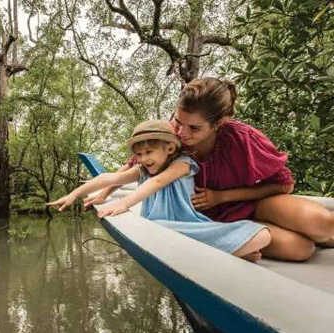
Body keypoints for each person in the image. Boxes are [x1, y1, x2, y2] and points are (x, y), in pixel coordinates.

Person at [87, 78, 334, 261]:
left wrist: (223, 196)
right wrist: (103, 194)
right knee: (301, 250)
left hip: (254, 204)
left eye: (194, 128)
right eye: (178, 121)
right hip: (208, 221)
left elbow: (284, 184)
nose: (182, 133)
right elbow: (135, 165)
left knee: (324, 223)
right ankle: (253, 234)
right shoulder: (170, 138)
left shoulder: (241, 138)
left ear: (219, 123)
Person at [47, 120, 271, 262]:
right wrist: (73, 194)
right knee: (156, 233)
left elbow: (157, 183)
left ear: (170, 148)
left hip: (187, 226)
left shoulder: (183, 164)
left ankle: (229, 250)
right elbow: (110, 177)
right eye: (140, 154)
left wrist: (122, 204)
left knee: (262, 235)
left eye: (149, 151)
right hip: (159, 228)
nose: (144, 159)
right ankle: (232, 251)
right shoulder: (143, 169)